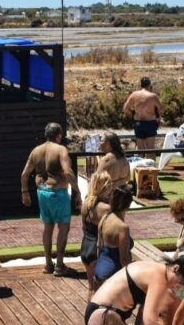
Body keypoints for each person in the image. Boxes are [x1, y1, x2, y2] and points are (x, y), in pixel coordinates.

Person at [21, 122, 82, 276]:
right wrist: (78, 192)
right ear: (59, 135)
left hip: (42, 192)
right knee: (63, 228)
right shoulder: (61, 149)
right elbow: (67, 172)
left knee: (48, 227)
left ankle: (48, 264)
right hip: (58, 193)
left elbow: (24, 174)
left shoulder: (36, 151)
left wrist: (25, 192)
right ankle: (60, 265)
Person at [81, 171, 113, 297]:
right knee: (103, 292)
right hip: (98, 249)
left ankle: (89, 316)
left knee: (92, 289)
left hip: (86, 246)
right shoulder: (105, 208)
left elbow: (84, 228)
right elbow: (111, 233)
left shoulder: (86, 204)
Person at [94, 185, 134, 286]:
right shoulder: (122, 227)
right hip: (113, 271)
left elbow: (99, 246)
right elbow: (124, 258)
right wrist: (131, 281)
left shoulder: (105, 218)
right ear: (128, 205)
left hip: (100, 267)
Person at [122, 77, 163, 154]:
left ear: (141, 85)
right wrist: (158, 117)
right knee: (151, 149)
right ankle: (151, 165)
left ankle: (140, 165)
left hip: (138, 123)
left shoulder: (134, 94)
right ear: (149, 85)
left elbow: (125, 108)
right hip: (150, 122)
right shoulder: (152, 96)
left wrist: (132, 114)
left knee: (140, 149)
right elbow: (161, 108)